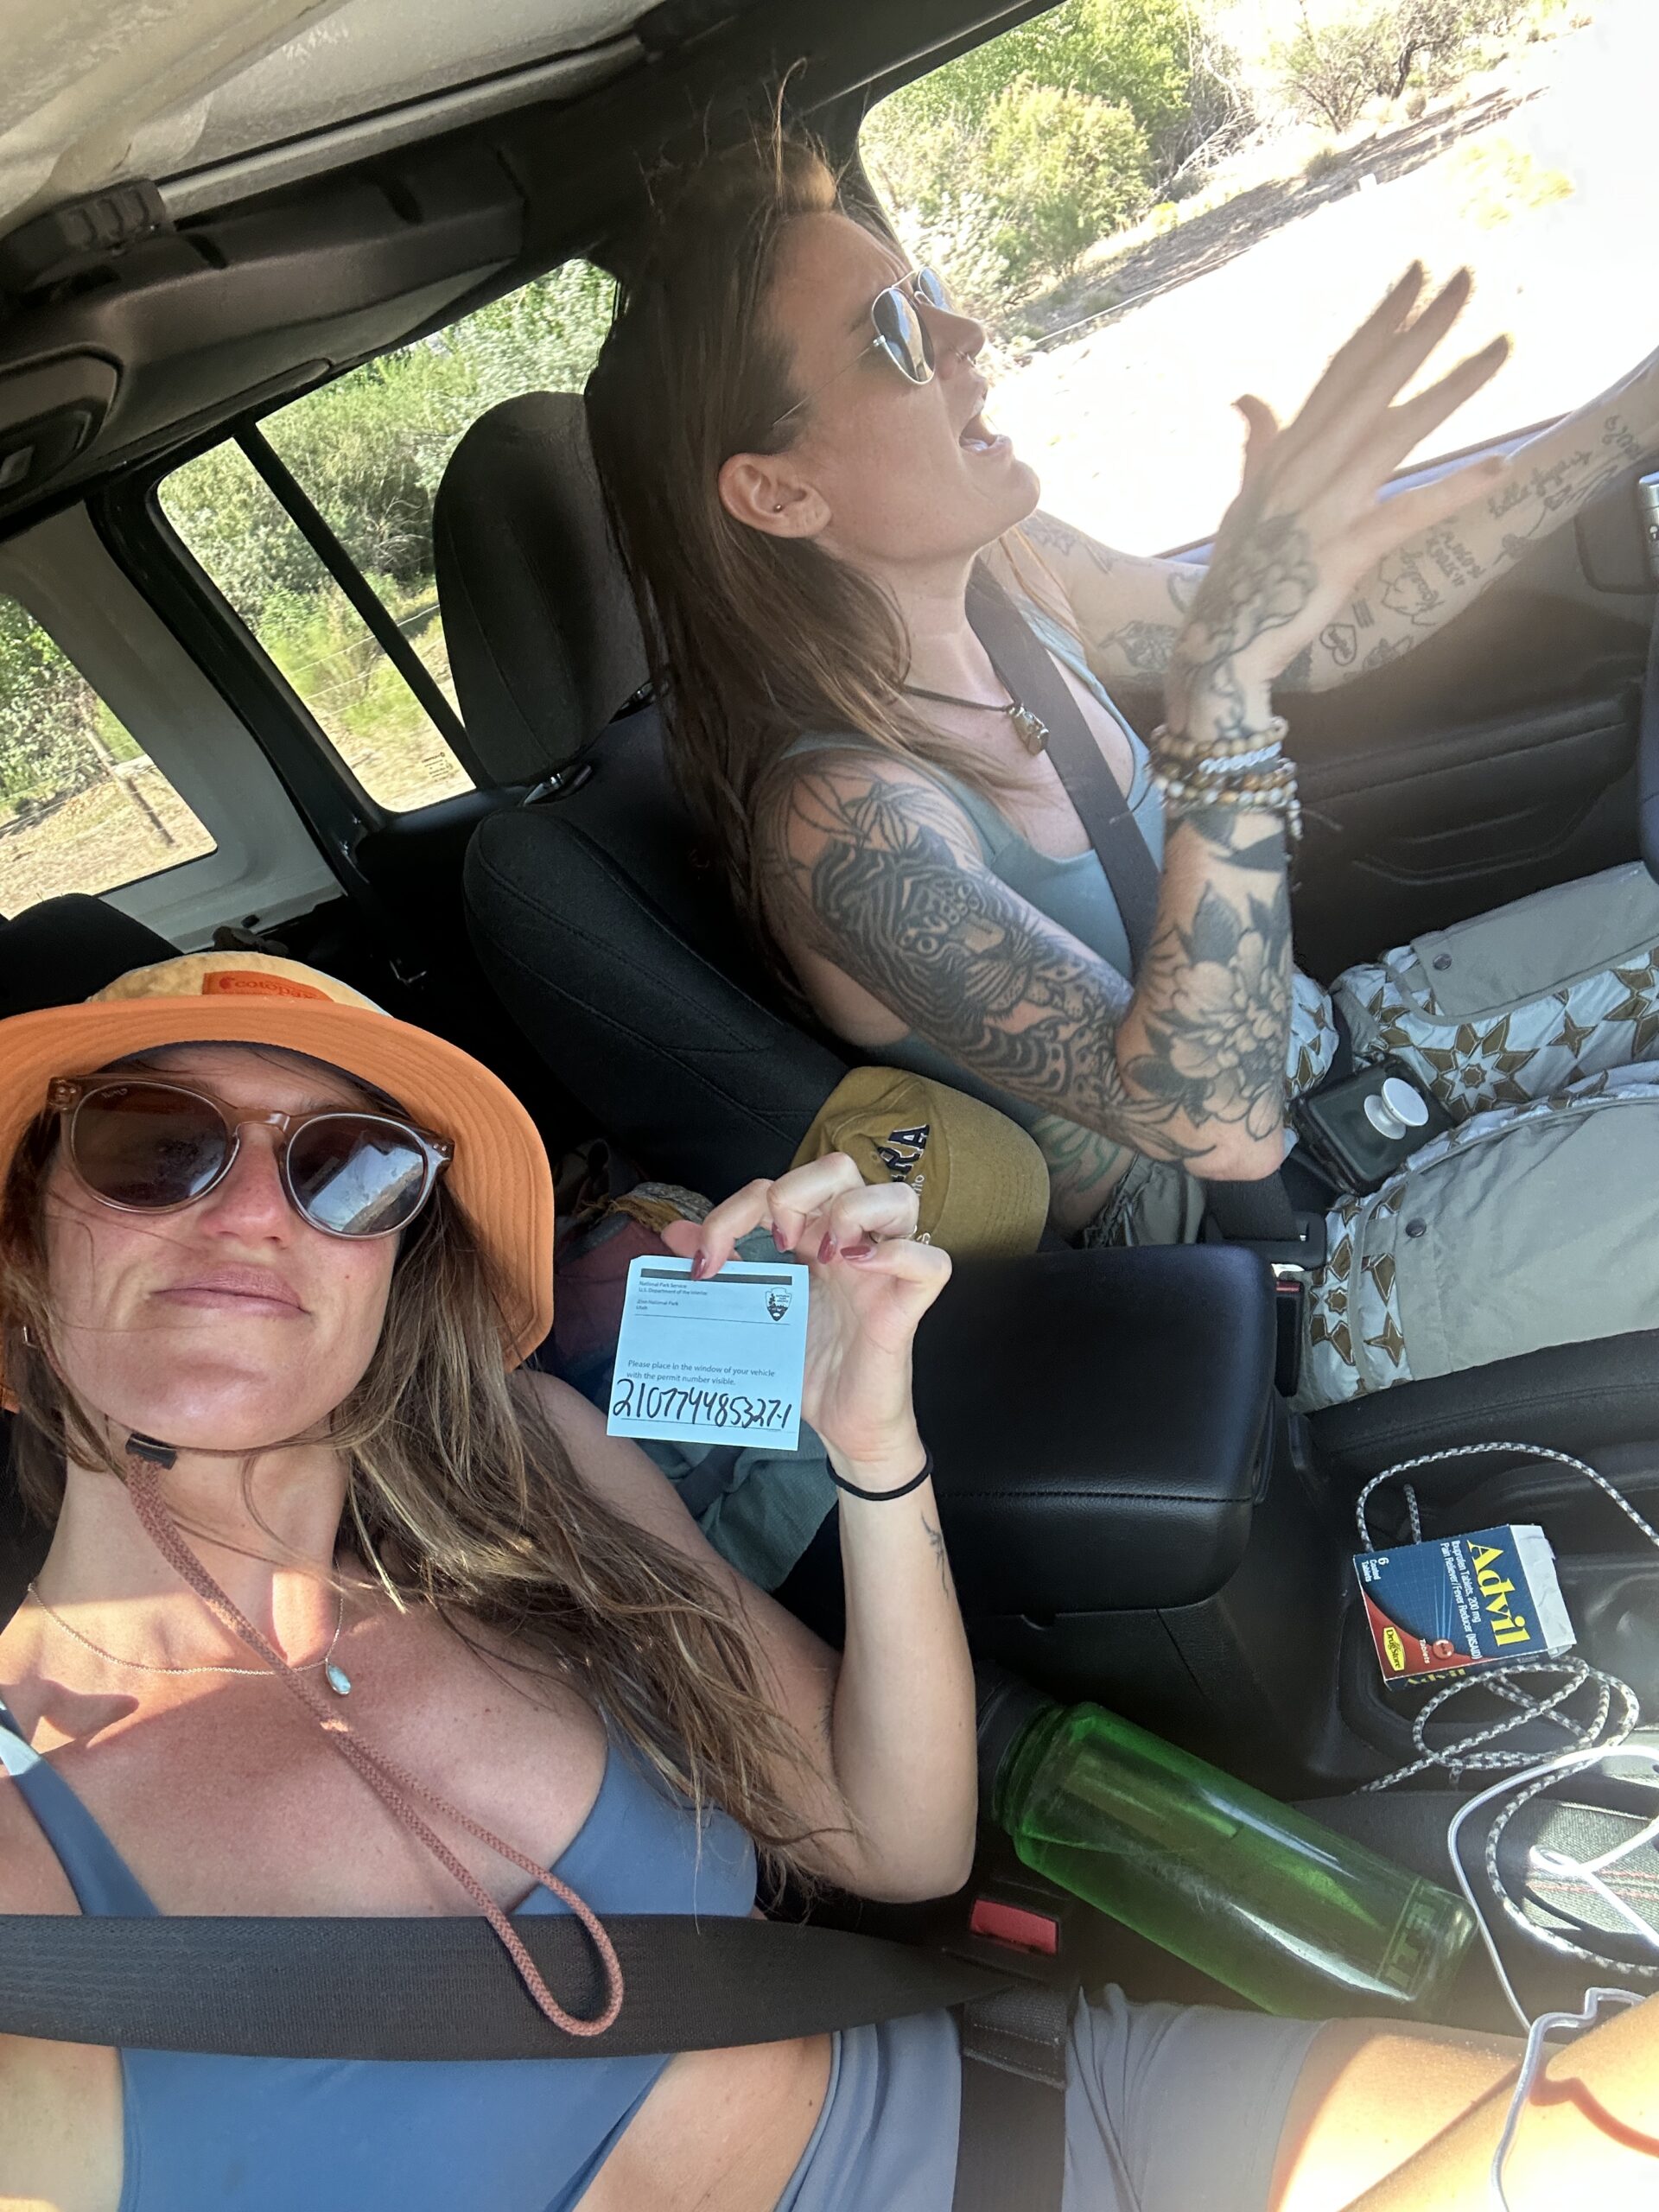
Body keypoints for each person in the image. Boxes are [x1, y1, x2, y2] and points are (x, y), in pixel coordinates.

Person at [3, 947, 1659, 2212]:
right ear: (23, 1246)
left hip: (1049, 2119)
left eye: (348, 1167)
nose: (252, 1212)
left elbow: (893, 1838)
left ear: (392, 1266)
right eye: (155, 1147)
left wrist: (872, 1438)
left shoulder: (527, 1467)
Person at [587, 135, 1659, 1412]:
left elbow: (1334, 630)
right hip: (1273, 1267)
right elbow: (1218, 1124)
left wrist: (1633, 415)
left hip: (1341, 1051)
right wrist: (1222, 697)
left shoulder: (1015, 572)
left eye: (926, 288)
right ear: (778, 493)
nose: (965, 332)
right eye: (895, 333)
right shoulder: (840, 826)